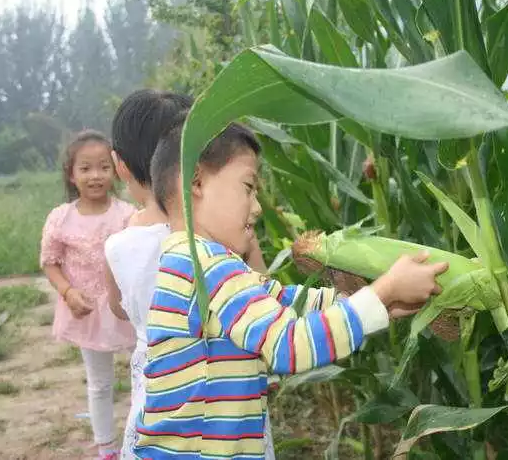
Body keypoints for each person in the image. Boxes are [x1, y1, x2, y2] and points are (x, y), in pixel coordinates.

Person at [134, 116, 448, 459]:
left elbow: (286, 303)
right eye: (248, 187)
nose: (256, 207)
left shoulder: (193, 261)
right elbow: (287, 345)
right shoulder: (207, 266)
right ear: (196, 181)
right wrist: (384, 290)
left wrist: (381, 304)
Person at [104, 89, 271, 459]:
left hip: (159, 405)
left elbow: (117, 307)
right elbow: (266, 298)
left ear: (120, 166)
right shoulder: (223, 237)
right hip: (230, 400)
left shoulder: (119, 246)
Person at [40, 130, 137, 460]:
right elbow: (50, 263)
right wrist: (67, 293)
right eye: (85, 168)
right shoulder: (61, 218)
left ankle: (141, 440)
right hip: (88, 313)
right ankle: (107, 448)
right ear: (71, 173)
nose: (95, 175)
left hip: (126, 311)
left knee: (142, 374)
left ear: (115, 170)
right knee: (99, 383)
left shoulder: (127, 215)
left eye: (103, 167)